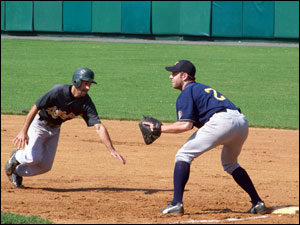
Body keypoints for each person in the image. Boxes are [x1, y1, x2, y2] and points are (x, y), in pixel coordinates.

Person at [152, 60, 267, 214]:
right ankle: (258, 202)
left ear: (184, 76)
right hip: (241, 122)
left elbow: (185, 125)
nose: (170, 77)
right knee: (230, 163)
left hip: (222, 122)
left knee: (183, 155)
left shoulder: (187, 92)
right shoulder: (202, 88)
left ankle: (176, 203)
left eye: (174, 73)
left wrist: (159, 128)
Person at [5, 67, 126, 188]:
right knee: (32, 157)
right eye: (86, 83)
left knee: (45, 166)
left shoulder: (86, 103)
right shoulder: (58, 91)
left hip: (55, 130)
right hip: (39, 125)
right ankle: (16, 156)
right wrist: (23, 131)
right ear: (76, 81)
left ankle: (16, 172)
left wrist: (111, 149)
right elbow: (36, 107)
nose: (88, 87)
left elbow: (99, 127)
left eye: (90, 84)